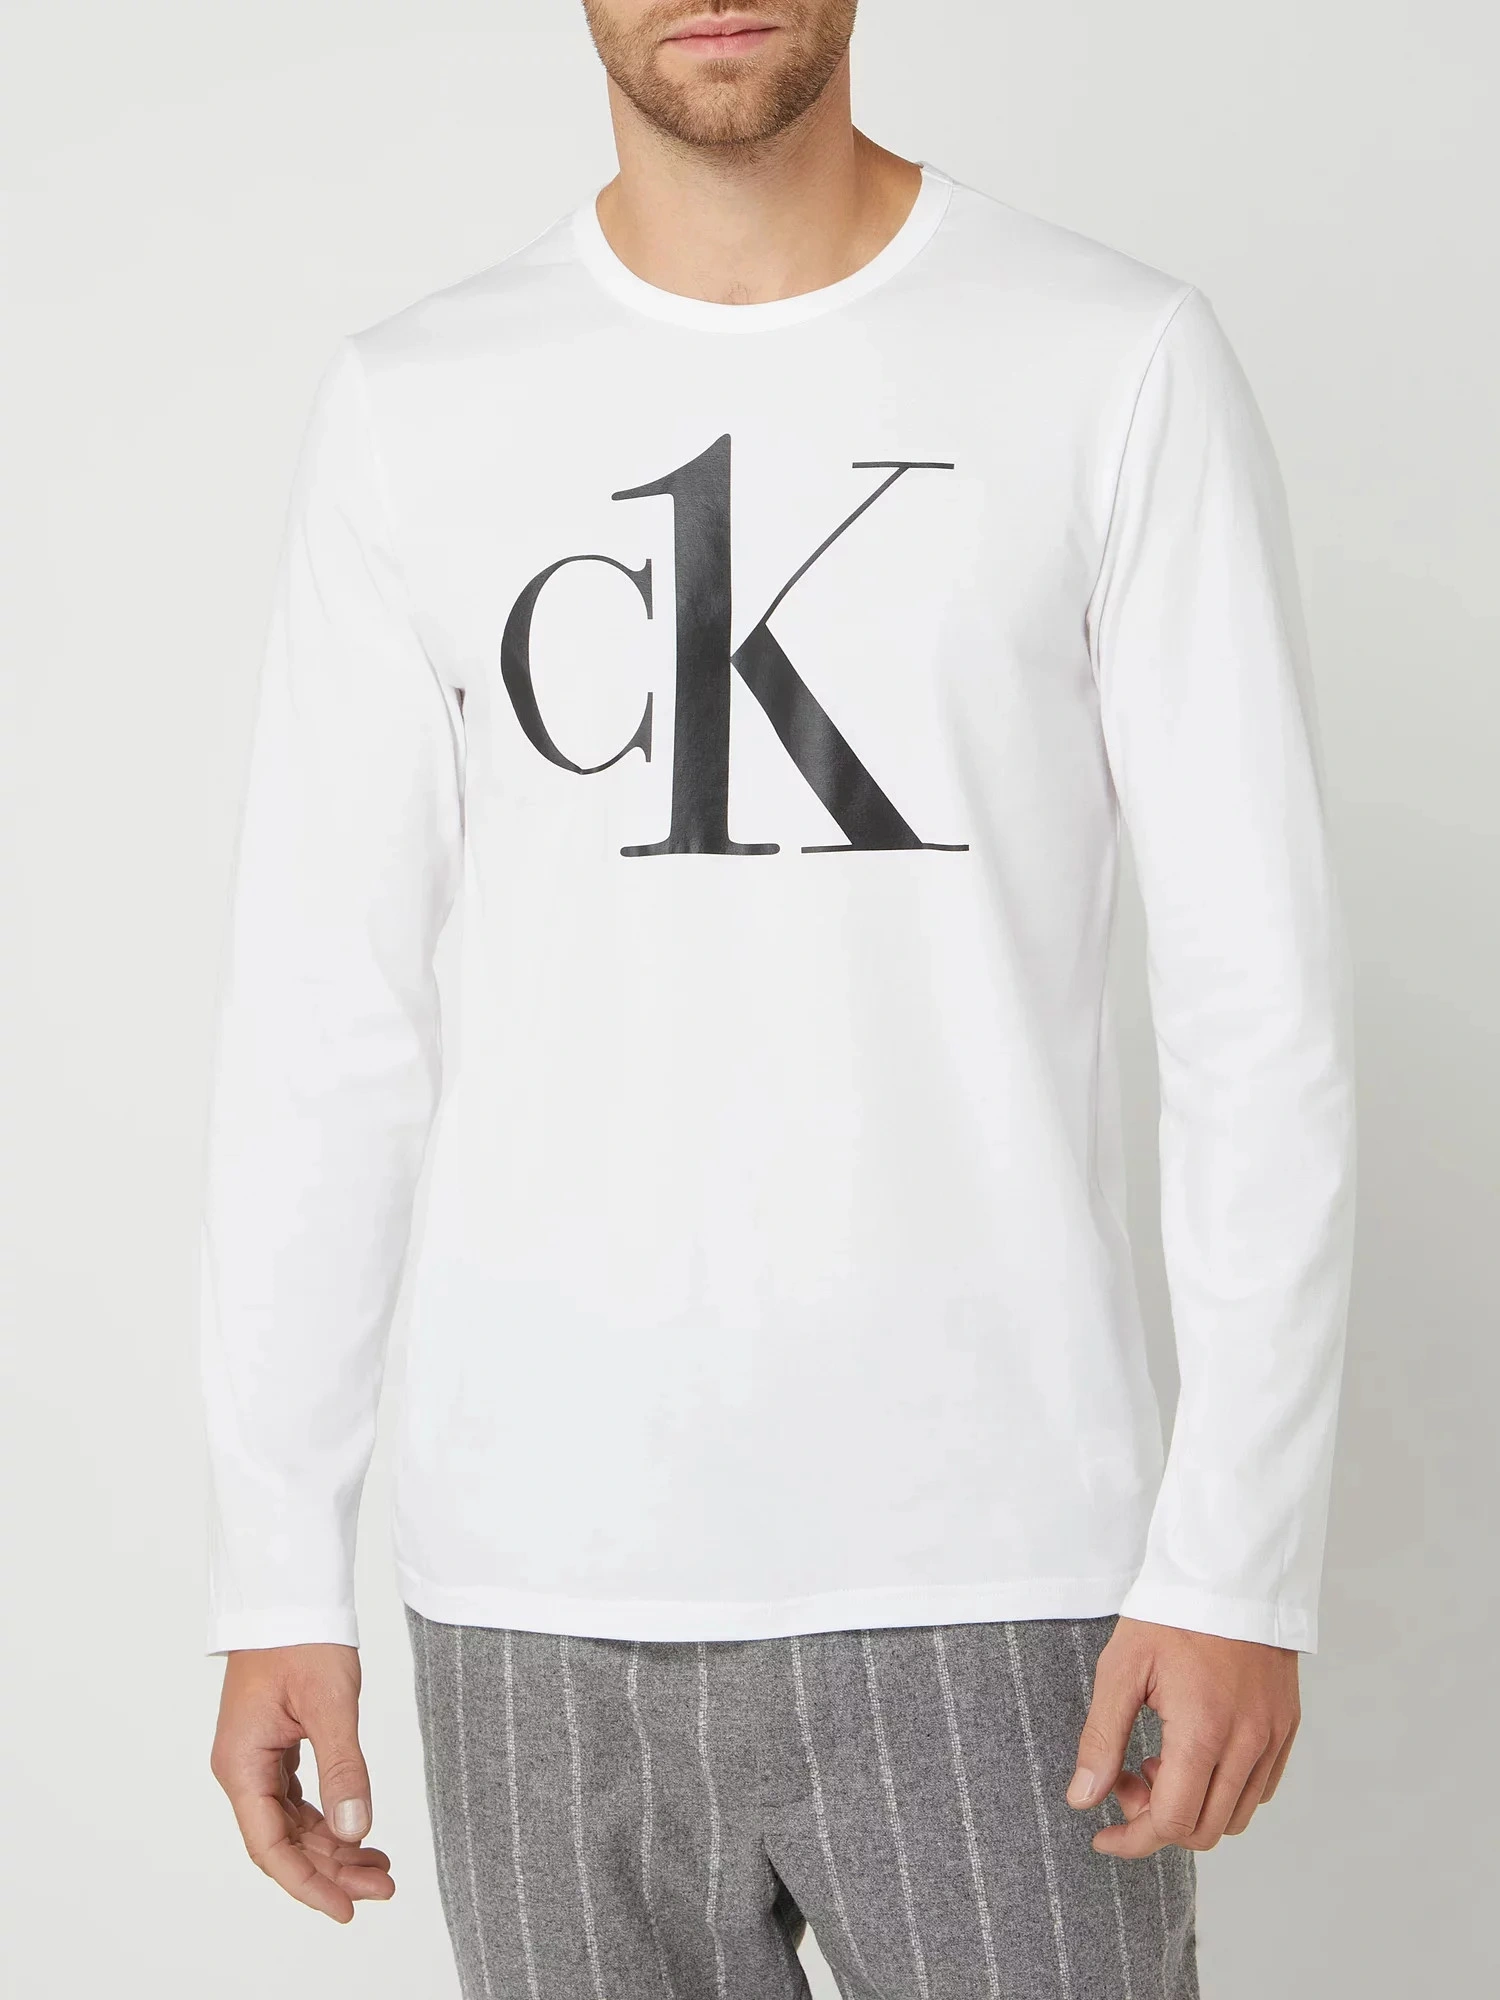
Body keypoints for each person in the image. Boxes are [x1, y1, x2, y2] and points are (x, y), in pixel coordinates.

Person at [201, 4, 1356, 1994]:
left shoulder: (1110, 359)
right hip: (536, 1589)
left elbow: (1263, 1005)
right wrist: (272, 1567)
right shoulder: (414, 403)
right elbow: (328, 1023)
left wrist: (1238, 1555)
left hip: (1006, 1571)